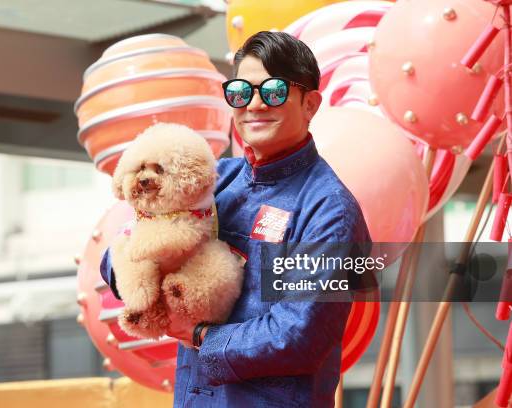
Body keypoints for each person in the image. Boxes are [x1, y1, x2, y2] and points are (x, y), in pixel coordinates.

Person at [101, 31, 372, 407]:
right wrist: (141, 269)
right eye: (241, 92)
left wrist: (199, 336)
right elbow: (122, 248)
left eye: (274, 91)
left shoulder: (331, 210)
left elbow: (300, 334)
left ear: (310, 104)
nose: (255, 105)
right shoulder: (214, 180)